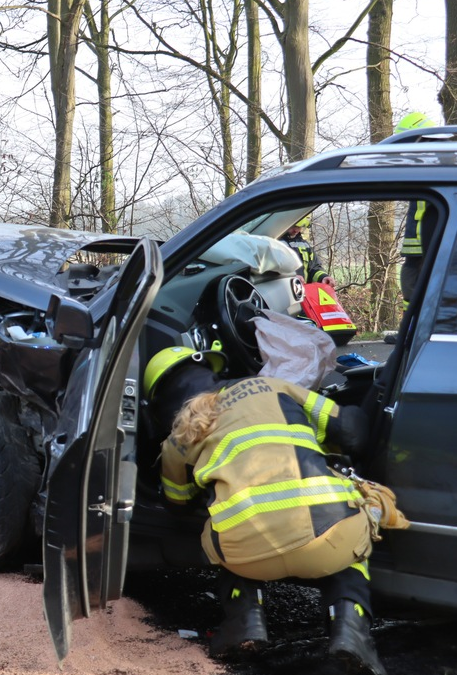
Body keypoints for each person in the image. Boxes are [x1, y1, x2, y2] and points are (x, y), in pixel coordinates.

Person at [144, 346, 385, 675]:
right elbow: (352, 431)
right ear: (211, 371)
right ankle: (350, 629)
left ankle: (244, 623)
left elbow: (178, 503)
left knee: (223, 524)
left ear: (159, 401)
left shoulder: (178, 436)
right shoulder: (275, 386)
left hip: (248, 557)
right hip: (328, 543)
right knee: (353, 533)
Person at [393, 112, 435, 311]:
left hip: (425, 245)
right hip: (419, 245)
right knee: (411, 281)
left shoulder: (433, 165)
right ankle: (411, 323)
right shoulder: (428, 163)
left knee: (415, 284)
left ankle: (412, 324)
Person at [280, 216, 335, 287]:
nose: (296, 230)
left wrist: (323, 277)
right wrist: (290, 277)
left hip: (302, 291)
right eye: (294, 226)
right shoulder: (273, 242)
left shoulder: (304, 245)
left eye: (299, 227)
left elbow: (314, 267)